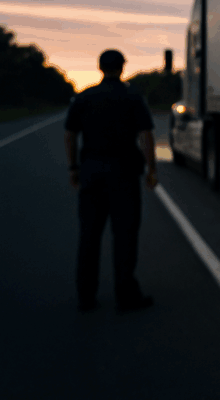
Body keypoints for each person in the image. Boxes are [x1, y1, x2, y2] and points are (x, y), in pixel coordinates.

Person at [64, 49, 158, 313]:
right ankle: (126, 296)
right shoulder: (132, 97)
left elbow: (70, 134)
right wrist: (152, 169)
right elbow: (146, 135)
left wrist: (73, 167)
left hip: (91, 172)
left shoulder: (84, 97)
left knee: (89, 235)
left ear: (100, 67)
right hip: (124, 173)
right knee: (125, 236)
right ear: (122, 67)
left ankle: (86, 296)